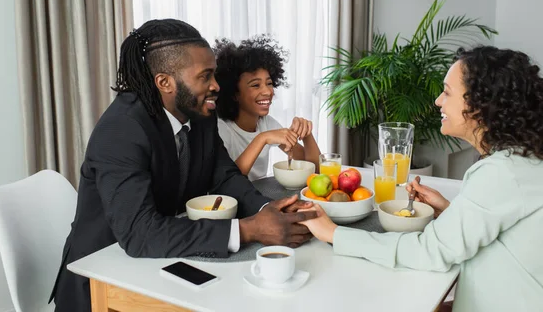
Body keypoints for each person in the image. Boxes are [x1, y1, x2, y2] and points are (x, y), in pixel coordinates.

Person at [50, 19, 317, 312]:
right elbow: (140, 233)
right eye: (205, 77)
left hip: (165, 262)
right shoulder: (121, 130)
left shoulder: (200, 113)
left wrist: (265, 209)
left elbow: (223, 176)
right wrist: (247, 230)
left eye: (214, 74)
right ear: (164, 82)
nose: (216, 85)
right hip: (103, 280)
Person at [300, 45, 543, 311]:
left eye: (447, 93)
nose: (438, 100)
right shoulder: (521, 161)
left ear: (479, 106)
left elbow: (431, 251)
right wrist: (453, 212)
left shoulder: (502, 172)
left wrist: (334, 233)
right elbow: (503, 239)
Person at [213, 35, 321, 181]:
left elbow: (313, 167)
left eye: (269, 83)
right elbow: (228, 180)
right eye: (255, 85)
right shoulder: (222, 128)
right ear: (234, 93)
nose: (267, 92)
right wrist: (262, 138)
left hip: (257, 197)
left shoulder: (265, 122)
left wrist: (306, 134)